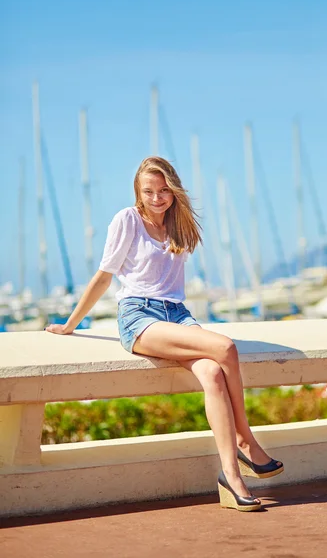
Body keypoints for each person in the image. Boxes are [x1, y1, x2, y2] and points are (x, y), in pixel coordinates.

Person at [46, 156, 284, 512]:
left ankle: (231, 477)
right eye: (149, 191)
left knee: (213, 372)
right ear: (138, 193)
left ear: (172, 190)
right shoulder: (127, 220)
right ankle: (245, 440)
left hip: (178, 316)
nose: (157, 197)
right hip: (139, 317)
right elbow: (104, 276)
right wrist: (71, 324)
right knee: (225, 347)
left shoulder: (179, 225)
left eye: (163, 190)